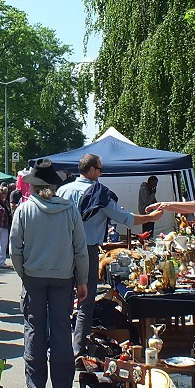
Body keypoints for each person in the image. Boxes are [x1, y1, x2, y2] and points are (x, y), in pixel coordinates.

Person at [57, 153, 163, 358]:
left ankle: (60, 347)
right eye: (100, 169)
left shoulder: (63, 190)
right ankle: (77, 349)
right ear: (91, 171)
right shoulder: (100, 194)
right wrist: (151, 217)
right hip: (86, 250)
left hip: (62, 250)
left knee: (63, 300)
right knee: (85, 301)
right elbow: (125, 218)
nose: (101, 173)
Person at [10, 160, 88, 388]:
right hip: (63, 277)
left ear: (33, 186)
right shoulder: (70, 210)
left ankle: (36, 387)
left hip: (34, 276)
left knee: (34, 329)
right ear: (54, 187)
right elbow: (80, 250)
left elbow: (14, 249)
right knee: (62, 331)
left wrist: (24, 273)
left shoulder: (24, 210)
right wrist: (82, 280)